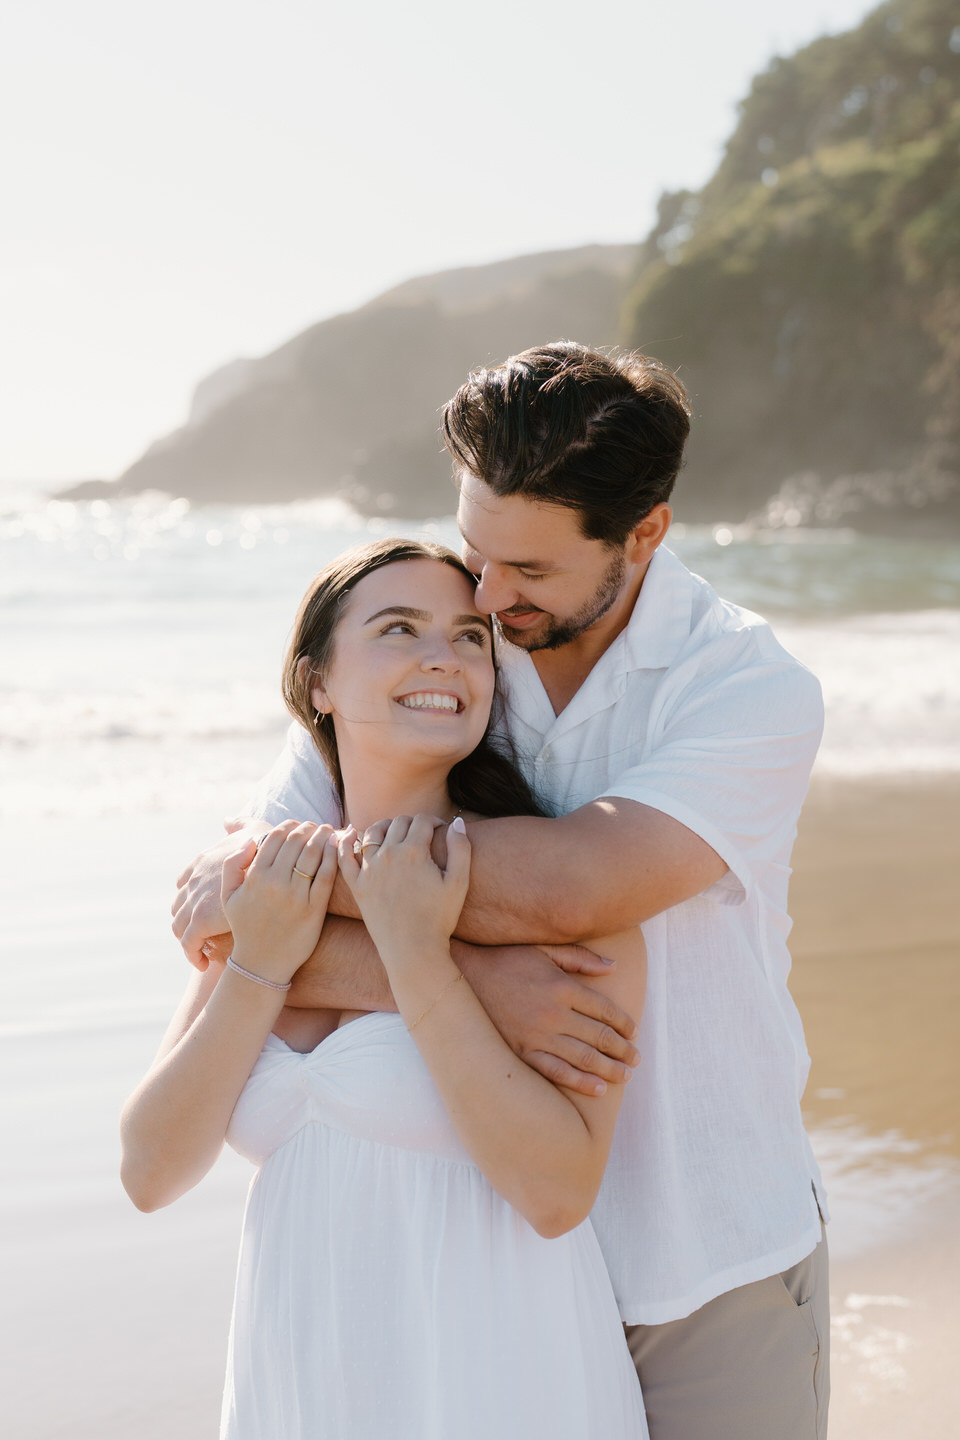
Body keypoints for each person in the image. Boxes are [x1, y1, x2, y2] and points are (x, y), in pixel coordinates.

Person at [173, 342, 830, 1440]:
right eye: (476, 550)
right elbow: (251, 899)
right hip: (483, 1257)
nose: (485, 594)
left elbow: (576, 889)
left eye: (527, 570)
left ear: (644, 535)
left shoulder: (745, 687)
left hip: (699, 1256)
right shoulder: (449, 646)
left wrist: (398, 945)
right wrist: (485, 985)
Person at [122, 539, 649, 1439]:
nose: (444, 655)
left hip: (495, 1391)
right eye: (399, 628)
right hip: (303, 1392)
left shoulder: (557, 906)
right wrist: (259, 965)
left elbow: (557, 1194)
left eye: (470, 637)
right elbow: (150, 1172)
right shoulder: (269, 889)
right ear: (317, 682)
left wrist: (418, 956)